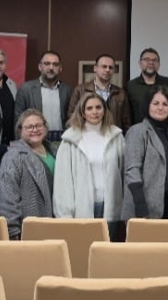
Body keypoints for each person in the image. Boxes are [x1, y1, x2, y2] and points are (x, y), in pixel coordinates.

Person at [53, 90, 125, 239]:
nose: (95, 112)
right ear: (82, 112)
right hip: (82, 208)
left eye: (98, 107)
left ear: (104, 110)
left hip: (110, 206)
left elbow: (124, 172)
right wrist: (65, 214)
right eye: (89, 108)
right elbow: (62, 181)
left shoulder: (116, 136)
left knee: (107, 253)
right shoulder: (70, 139)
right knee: (84, 253)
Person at [0, 109, 56, 240]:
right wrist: (12, 230)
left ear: (45, 127)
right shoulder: (13, 156)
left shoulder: (54, 150)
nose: (35, 129)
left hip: (55, 222)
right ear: (20, 131)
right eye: (29, 127)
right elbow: (6, 196)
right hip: (29, 229)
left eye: (39, 125)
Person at [120, 87, 168, 221]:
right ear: (148, 106)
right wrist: (141, 206)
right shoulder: (138, 131)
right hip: (143, 206)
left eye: (165, 104)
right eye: (155, 103)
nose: (160, 108)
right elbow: (132, 170)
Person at [15, 51, 73, 144]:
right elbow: (18, 120)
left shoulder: (67, 90)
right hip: (33, 142)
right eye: (47, 64)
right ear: (40, 67)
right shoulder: (26, 89)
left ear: (60, 68)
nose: (51, 67)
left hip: (61, 142)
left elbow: (72, 119)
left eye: (55, 64)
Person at [68, 53, 132, 132]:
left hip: (112, 137)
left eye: (111, 67)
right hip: (86, 137)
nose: (107, 70)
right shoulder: (80, 90)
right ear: (95, 68)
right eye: (104, 66)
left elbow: (126, 121)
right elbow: (72, 116)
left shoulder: (121, 93)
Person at [126, 47, 168, 128]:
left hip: (165, 131)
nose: (151, 62)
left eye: (154, 60)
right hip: (140, 131)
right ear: (140, 63)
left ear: (159, 64)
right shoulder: (131, 85)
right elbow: (127, 114)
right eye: (146, 59)